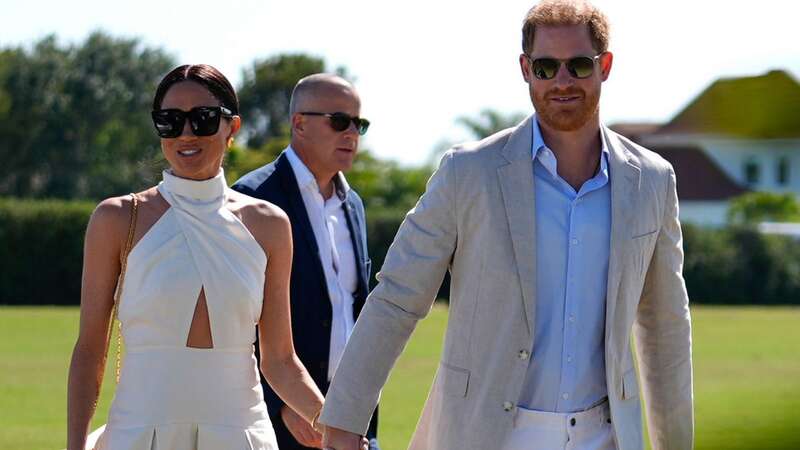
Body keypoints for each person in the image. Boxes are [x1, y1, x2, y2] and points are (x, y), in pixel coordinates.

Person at [319, 1, 694, 449]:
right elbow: (397, 298)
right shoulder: (468, 172)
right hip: (485, 434)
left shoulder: (652, 180)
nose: (562, 82)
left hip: (605, 436)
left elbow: (665, 325)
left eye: (577, 65)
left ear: (605, 66)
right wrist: (343, 422)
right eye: (545, 67)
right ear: (525, 68)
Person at [66, 64, 335, 450]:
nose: (186, 133)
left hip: (242, 435)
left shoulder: (269, 225)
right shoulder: (117, 218)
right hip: (139, 434)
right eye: (169, 121)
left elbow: (279, 360)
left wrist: (334, 427)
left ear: (232, 128)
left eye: (203, 119)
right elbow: (91, 349)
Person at [233, 73, 380, 450]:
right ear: (299, 123)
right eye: (339, 121)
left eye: (358, 124)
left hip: (353, 418)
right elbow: (231, 321)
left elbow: (352, 308)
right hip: (280, 423)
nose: (351, 133)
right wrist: (281, 402)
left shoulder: (355, 205)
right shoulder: (251, 199)